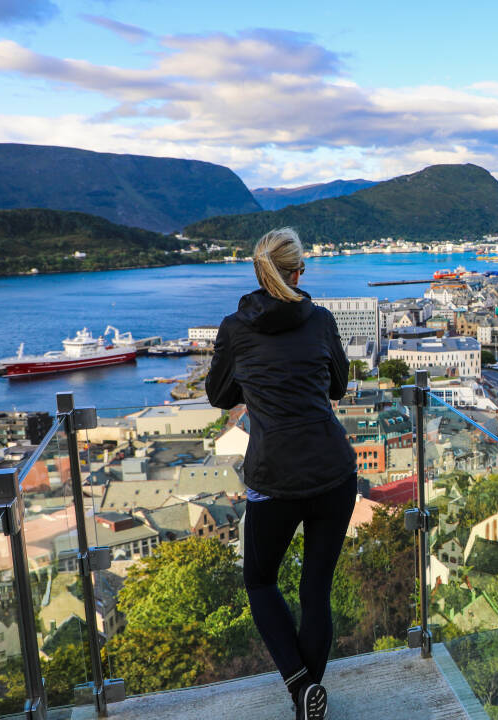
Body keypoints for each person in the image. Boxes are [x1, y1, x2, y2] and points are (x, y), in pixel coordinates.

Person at [206, 227, 356, 720]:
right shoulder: (321, 321)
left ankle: (300, 689)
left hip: (274, 476)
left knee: (260, 581)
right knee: (316, 588)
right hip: (333, 470)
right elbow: (338, 384)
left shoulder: (235, 328)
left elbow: (218, 394)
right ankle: (306, 696)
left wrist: (256, 384)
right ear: (297, 273)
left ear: (260, 272)